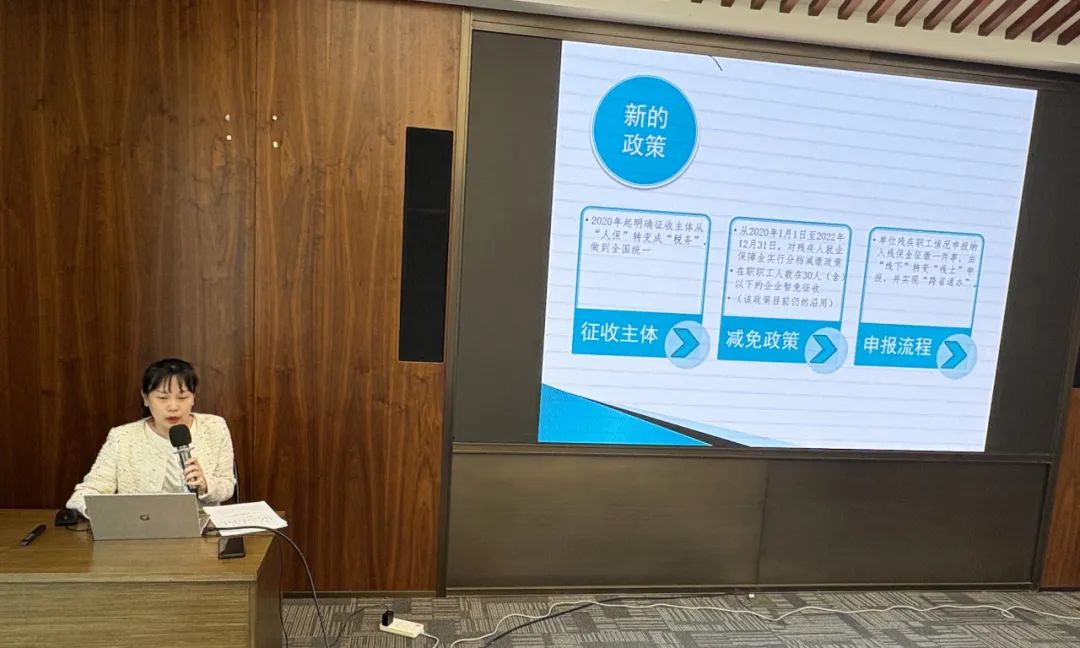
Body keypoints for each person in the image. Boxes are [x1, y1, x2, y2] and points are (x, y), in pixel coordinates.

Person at [65, 358, 236, 517]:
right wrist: (107, 516)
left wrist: (206, 485)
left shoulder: (214, 427)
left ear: (193, 398)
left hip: (204, 528)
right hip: (140, 530)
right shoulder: (122, 437)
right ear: (146, 398)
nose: (173, 407)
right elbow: (86, 493)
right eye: (162, 398)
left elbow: (227, 485)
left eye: (182, 397)